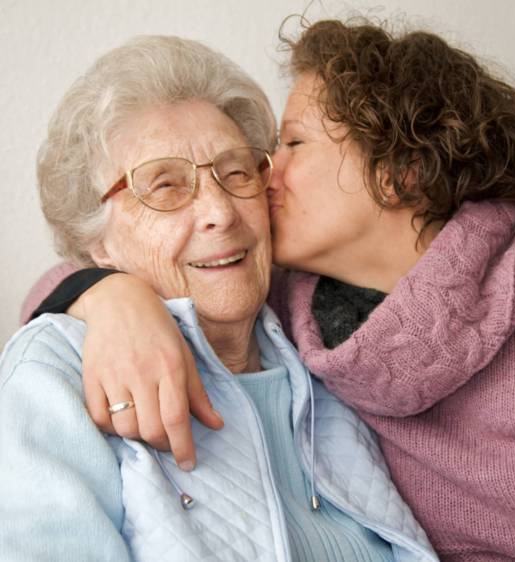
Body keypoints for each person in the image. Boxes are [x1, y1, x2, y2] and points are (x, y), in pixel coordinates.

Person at [26, 19, 515, 561]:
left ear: (401, 170)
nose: (257, 182)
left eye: (292, 147)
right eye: (168, 186)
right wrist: (109, 297)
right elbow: (90, 273)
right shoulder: (292, 309)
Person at [0, 35, 437, 562]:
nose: (220, 212)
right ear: (97, 242)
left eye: (235, 173)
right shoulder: (56, 374)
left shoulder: (332, 351)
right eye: (164, 186)